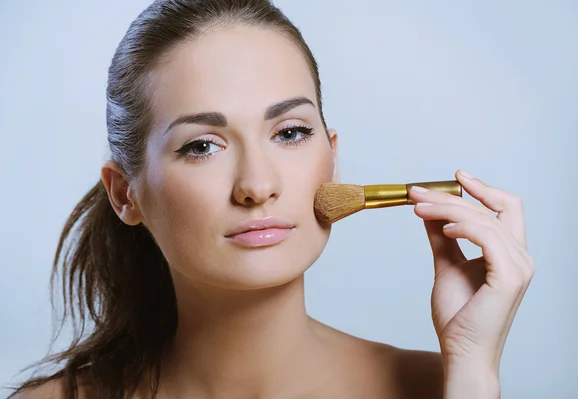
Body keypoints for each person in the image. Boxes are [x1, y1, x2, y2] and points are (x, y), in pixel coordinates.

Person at [10, 0, 535, 398]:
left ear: (332, 157)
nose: (258, 186)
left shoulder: (439, 386)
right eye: (201, 146)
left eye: (289, 133)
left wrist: (471, 363)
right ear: (126, 194)